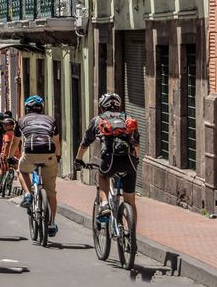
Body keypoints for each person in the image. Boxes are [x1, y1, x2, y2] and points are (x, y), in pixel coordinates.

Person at [74, 93, 141, 225]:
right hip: (130, 161)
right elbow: (136, 143)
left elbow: (85, 143)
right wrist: (136, 159)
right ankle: (131, 234)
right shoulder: (128, 119)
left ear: (101, 107)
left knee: (103, 176)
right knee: (130, 202)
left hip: (110, 161)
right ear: (118, 105)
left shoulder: (98, 120)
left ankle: (104, 204)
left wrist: (78, 159)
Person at [11, 95, 61, 238]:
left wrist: (10, 157)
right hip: (49, 153)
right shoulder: (51, 120)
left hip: (30, 152)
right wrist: (57, 156)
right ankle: (51, 223)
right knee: (51, 192)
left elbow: (15, 143)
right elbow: (56, 141)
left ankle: (27, 193)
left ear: (27, 109)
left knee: (22, 171)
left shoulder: (21, 121)